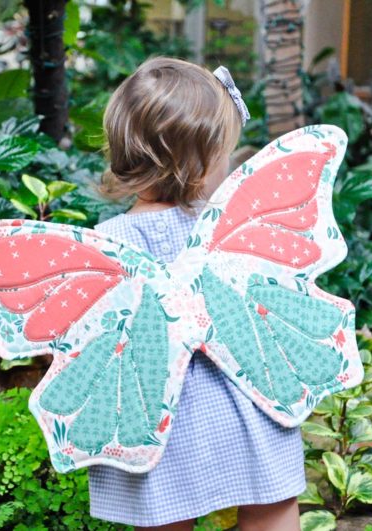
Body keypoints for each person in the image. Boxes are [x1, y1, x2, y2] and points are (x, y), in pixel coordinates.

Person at [88, 56, 304, 531]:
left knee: (163, 511)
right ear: (203, 162)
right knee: (273, 500)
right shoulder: (231, 227)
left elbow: (94, 337)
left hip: (161, 414)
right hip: (249, 394)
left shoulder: (110, 242)